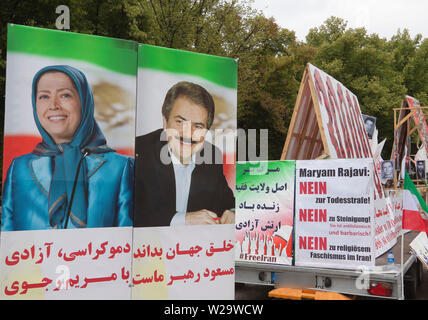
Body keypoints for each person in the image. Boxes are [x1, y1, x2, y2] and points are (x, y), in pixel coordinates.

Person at [1, 65, 134, 231]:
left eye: (65, 95)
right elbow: (7, 237)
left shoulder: (120, 168)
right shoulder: (19, 168)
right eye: (44, 96)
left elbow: (125, 239)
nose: (53, 105)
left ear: (84, 102)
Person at [134, 81, 235, 227]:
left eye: (198, 126)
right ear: (165, 121)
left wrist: (232, 212)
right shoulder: (139, 150)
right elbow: (131, 212)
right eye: (180, 122)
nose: (188, 133)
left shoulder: (212, 155)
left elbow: (226, 202)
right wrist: (183, 220)